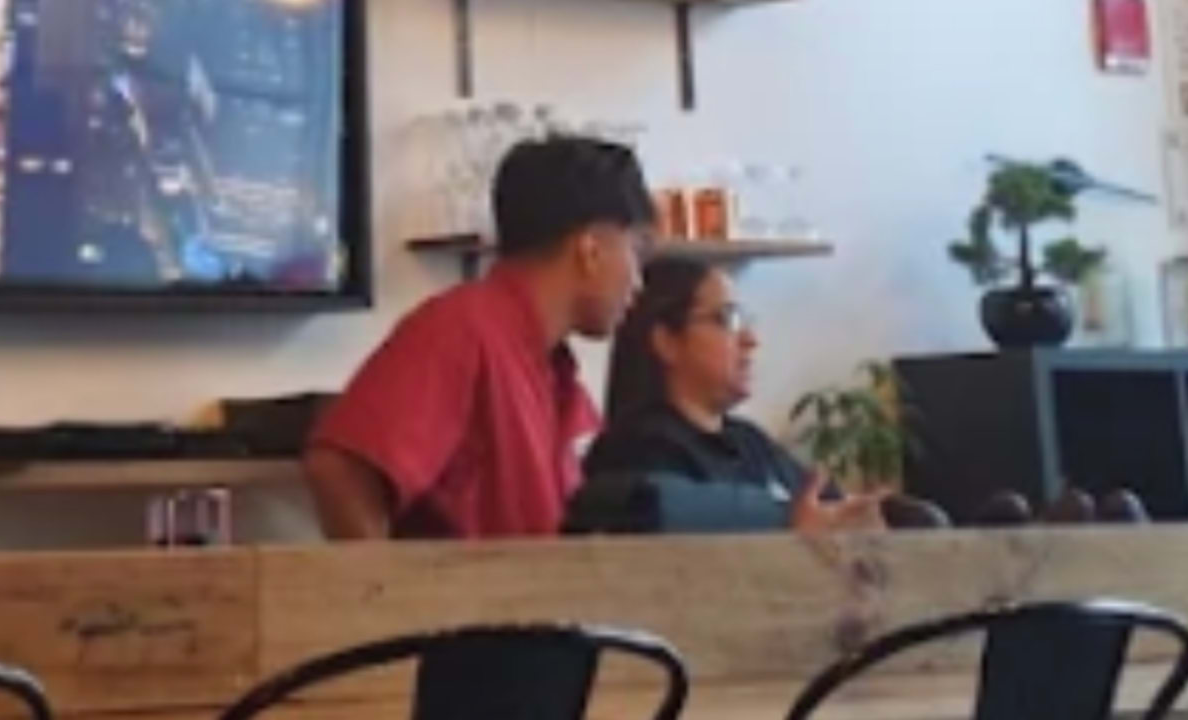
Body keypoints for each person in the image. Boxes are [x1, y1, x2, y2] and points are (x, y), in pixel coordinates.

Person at [305, 134, 652, 540]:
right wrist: (384, 598)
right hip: (469, 604)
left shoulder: (545, 360)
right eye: (636, 251)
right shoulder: (462, 328)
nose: (638, 280)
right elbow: (341, 467)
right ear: (590, 249)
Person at [575, 257, 880, 533]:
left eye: (745, 322)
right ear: (666, 341)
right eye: (728, 320)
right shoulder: (636, 449)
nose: (750, 339)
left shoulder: (749, 440)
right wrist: (787, 522)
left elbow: (827, 503)